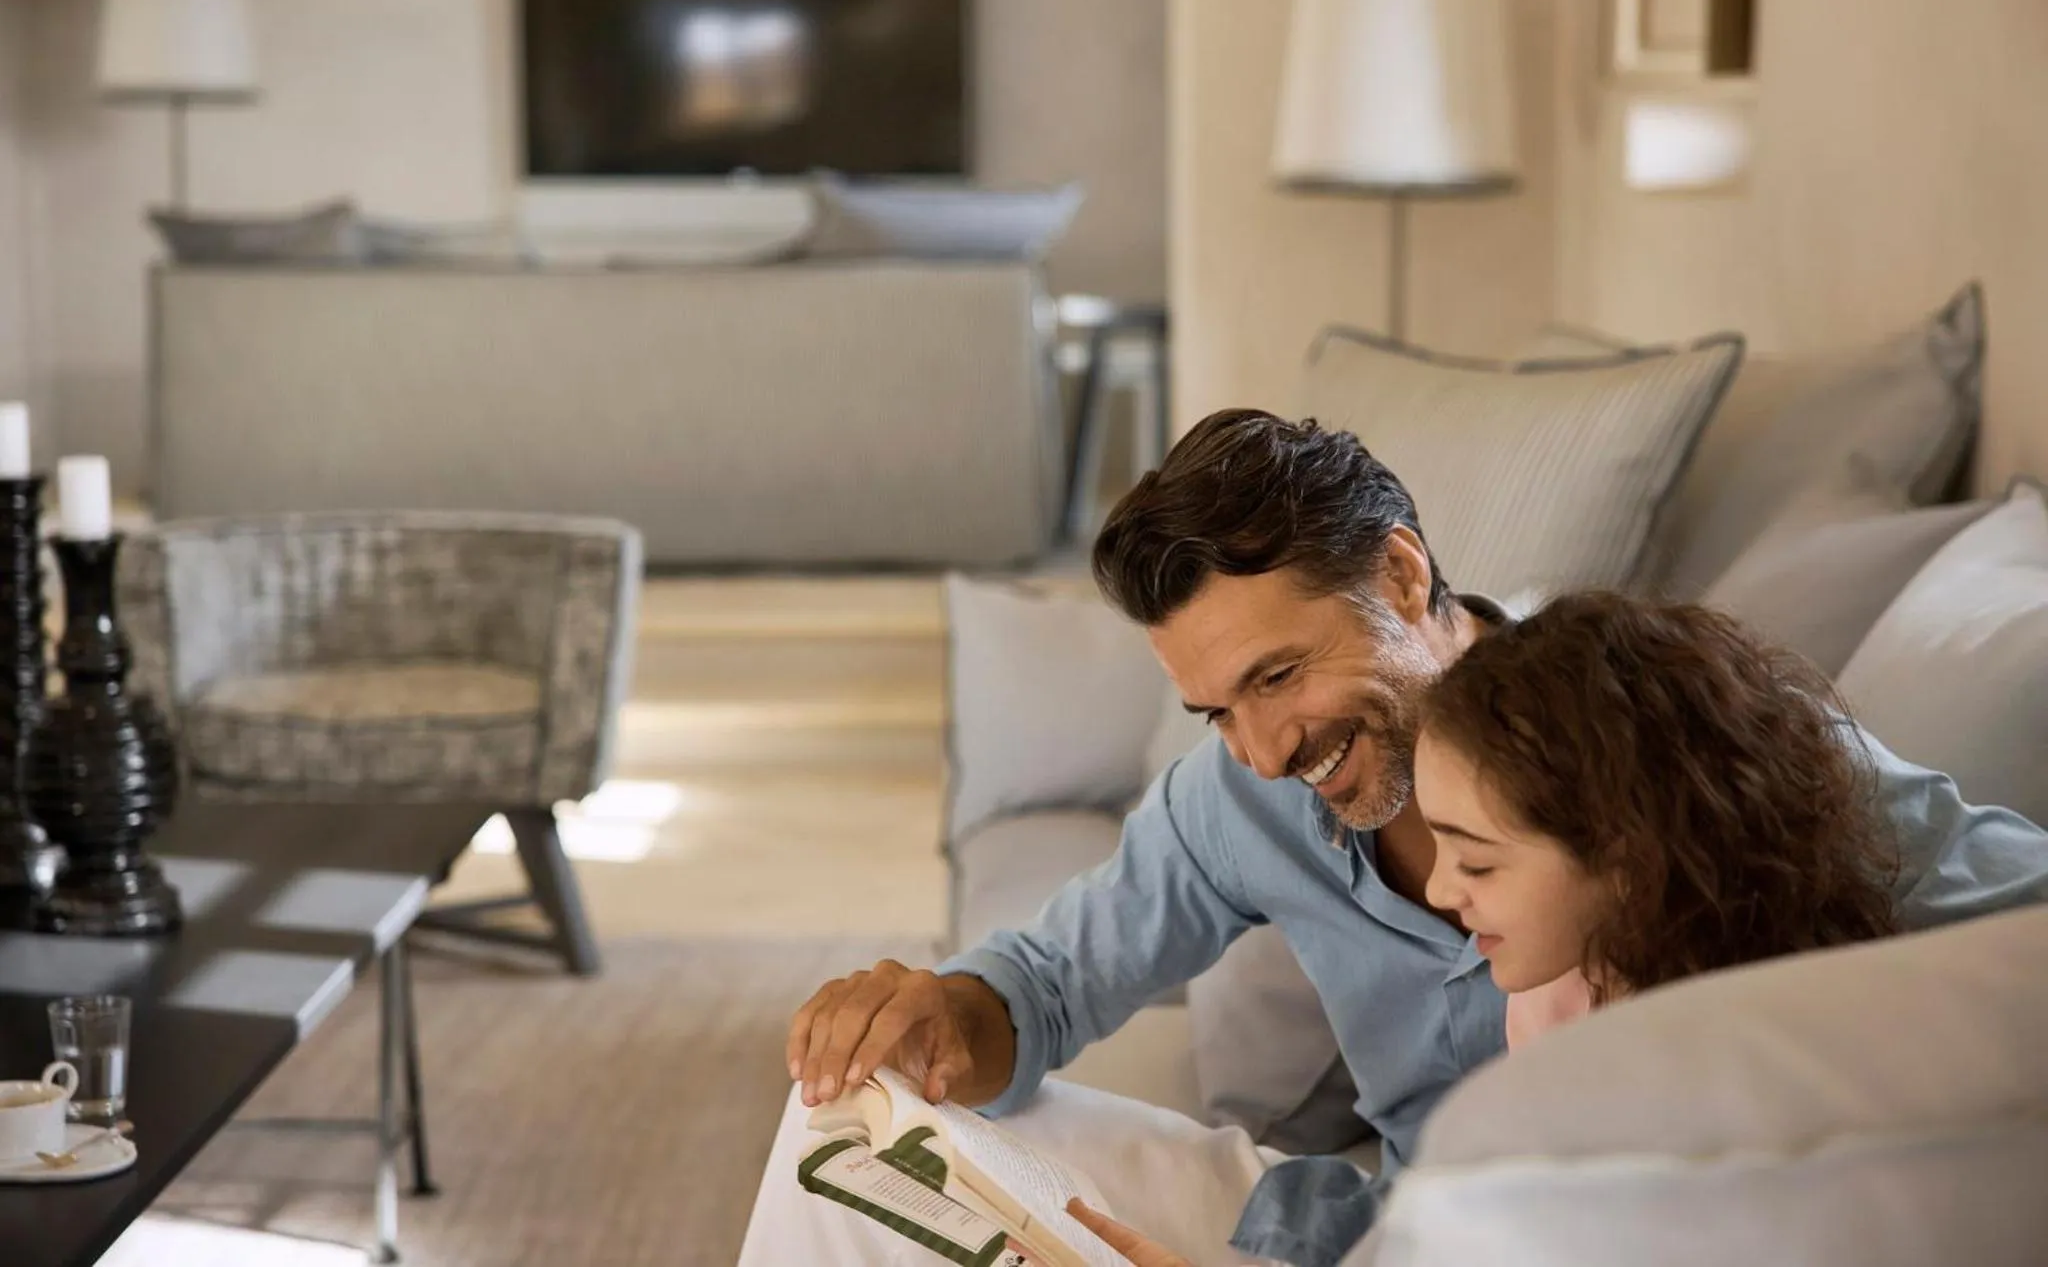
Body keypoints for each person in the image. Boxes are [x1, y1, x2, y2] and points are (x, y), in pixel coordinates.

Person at [738, 410, 2048, 1267]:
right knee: (846, 1128)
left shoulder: (1658, 736)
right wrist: (952, 1013)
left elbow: (2014, 923)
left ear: (1405, 578)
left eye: (1276, 679)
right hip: (1351, 1233)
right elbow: (1058, 972)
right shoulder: (1243, 795)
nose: (1258, 751)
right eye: (1212, 709)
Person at [1415, 591, 1898, 1050]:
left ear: (1630, 854)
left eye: (1476, 864)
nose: (1437, 892)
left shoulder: (1770, 1036)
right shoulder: (1549, 995)